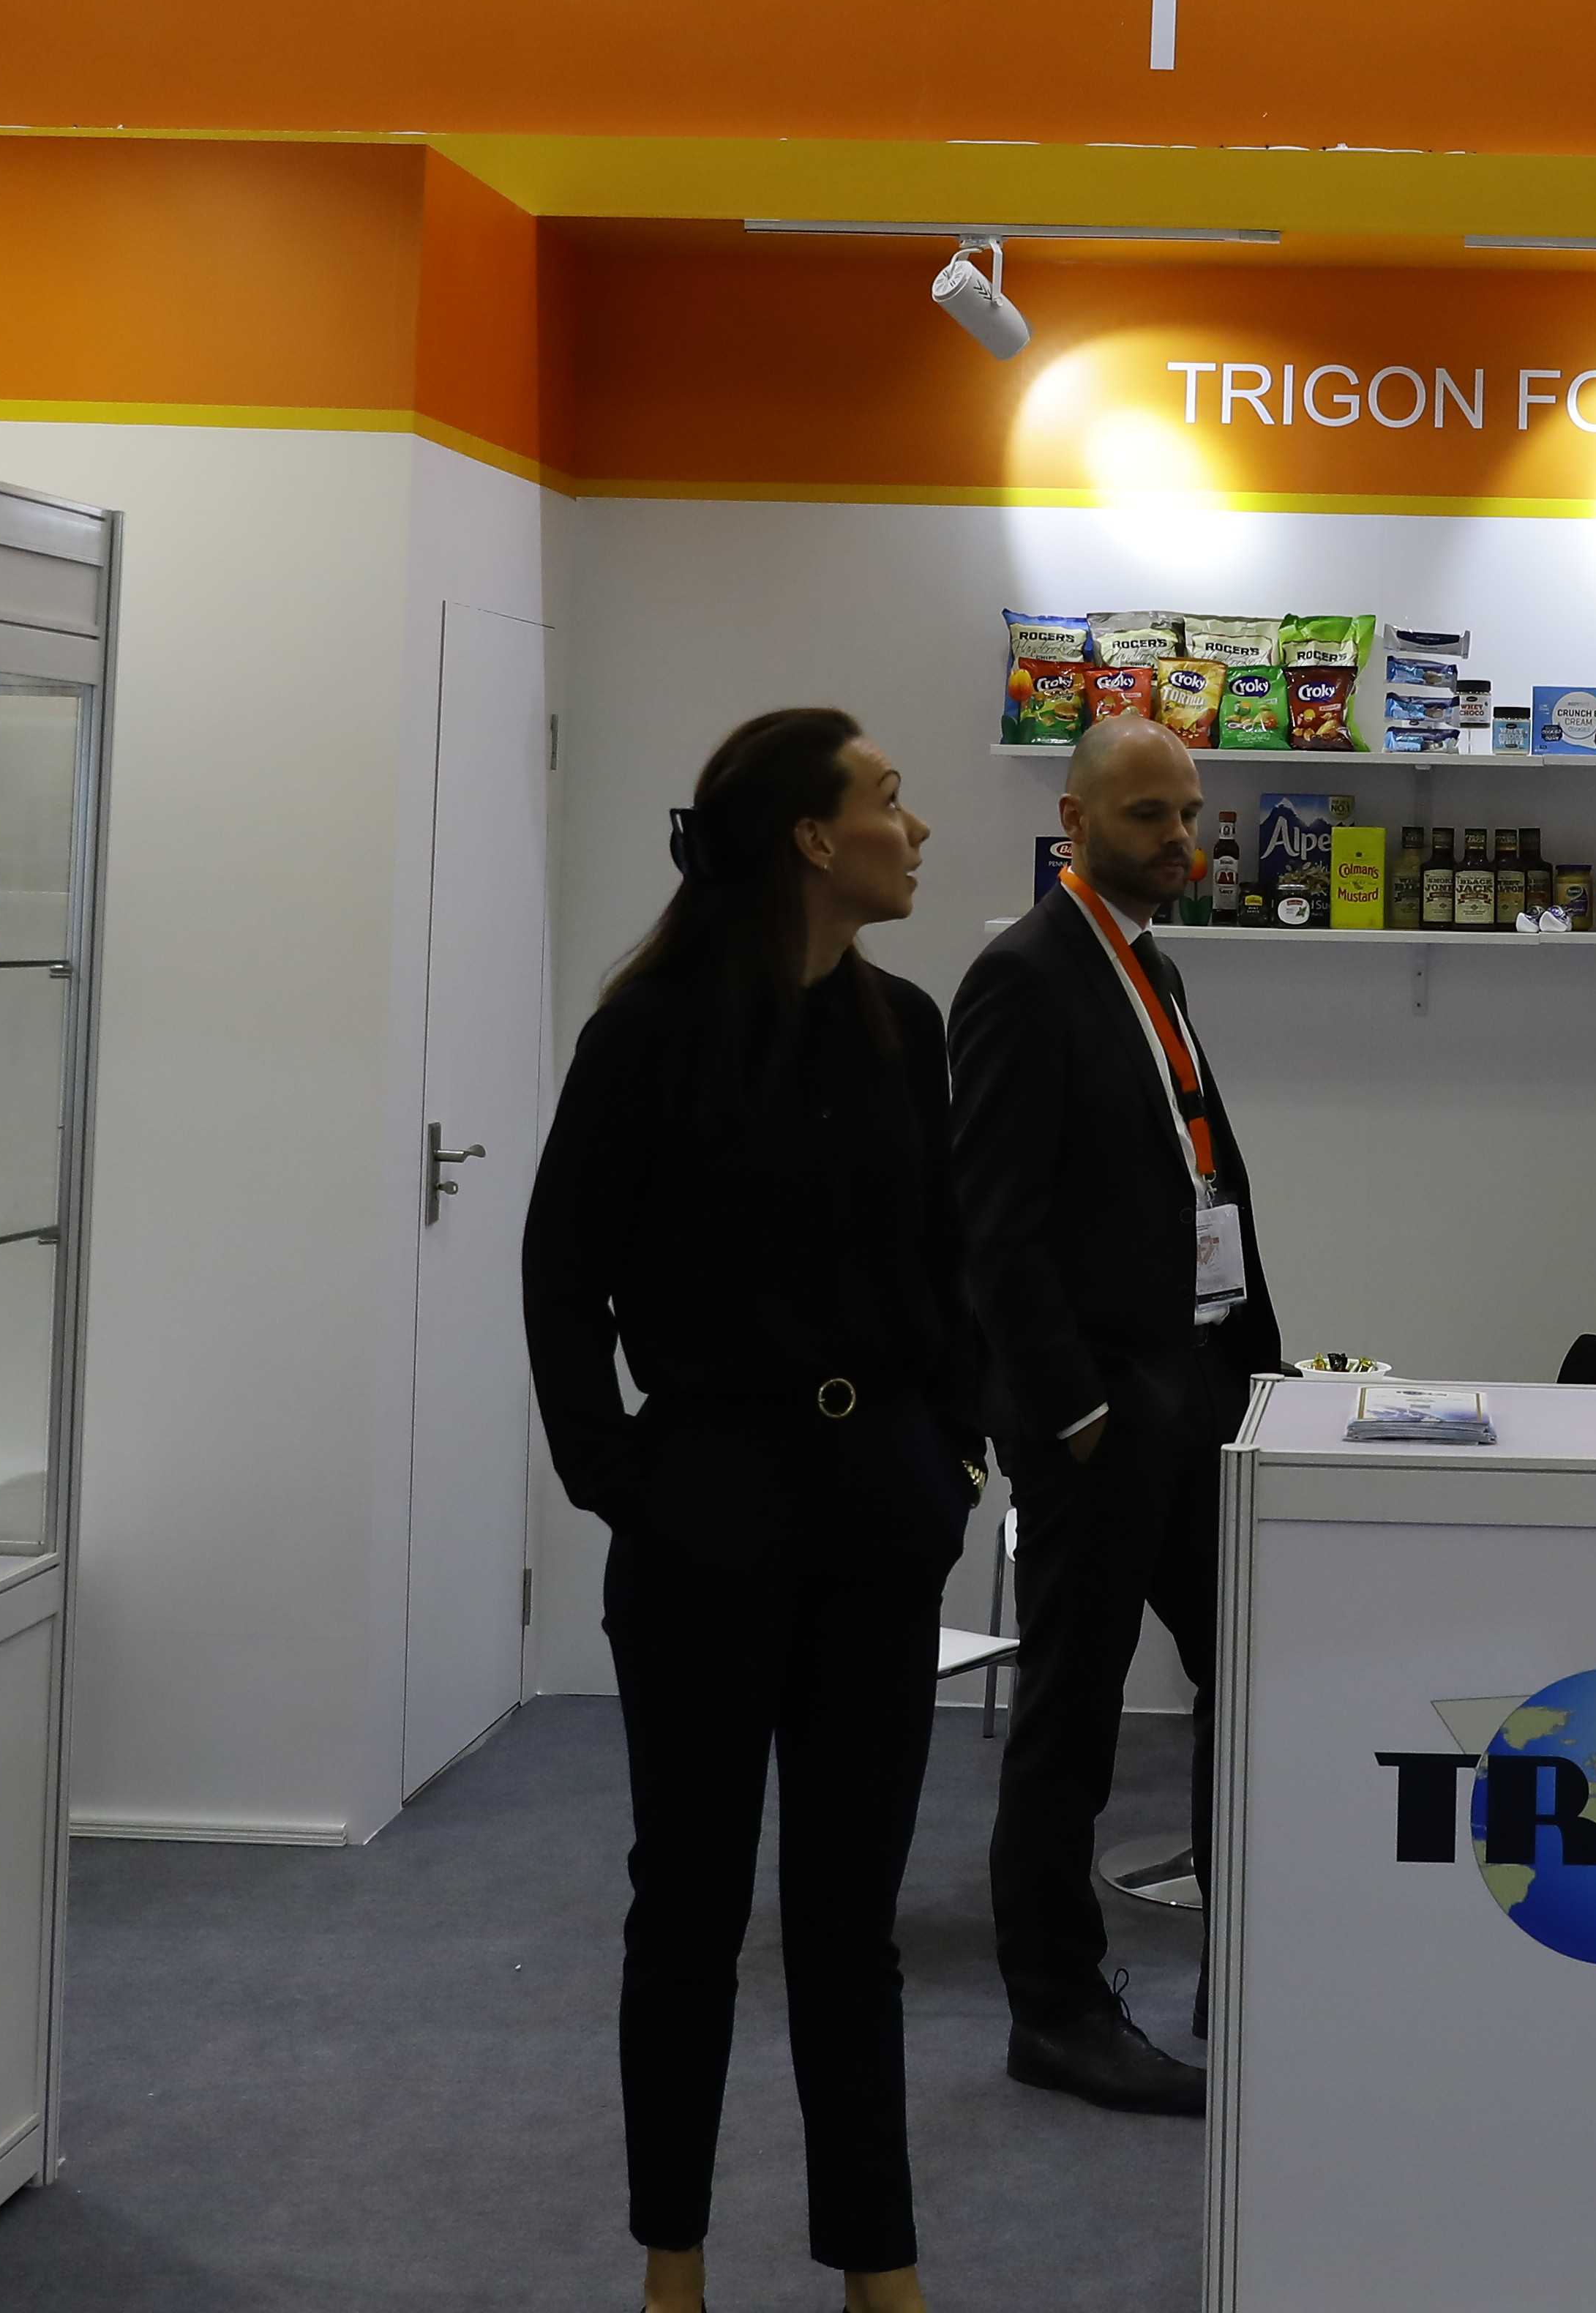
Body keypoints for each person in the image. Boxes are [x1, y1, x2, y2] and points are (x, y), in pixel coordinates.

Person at [524, 709, 984, 2313]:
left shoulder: (905, 1025)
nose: (914, 829)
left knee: (851, 1921)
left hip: (878, 1527)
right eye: (889, 799)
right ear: (809, 835)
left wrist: (954, 1455)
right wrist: (619, 1479)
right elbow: (561, 1279)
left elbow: (947, 1262)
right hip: (704, 1527)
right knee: (691, 1909)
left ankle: (879, 2264)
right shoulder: (648, 1033)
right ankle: (675, 2262)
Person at [954, 710, 1284, 2117]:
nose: (1179, 839)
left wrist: (1253, 1371)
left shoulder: (1153, 964)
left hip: (1195, 1391)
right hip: (1101, 1416)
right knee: (1072, 1722)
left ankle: (1243, 1976)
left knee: (1247, 1675)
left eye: (1190, 813)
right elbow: (995, 1228)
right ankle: (1058, 2013)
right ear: (1076, 822)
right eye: (1150, 816)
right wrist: (1076, 1414)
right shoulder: (1023, 977)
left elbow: (1199, 1179)